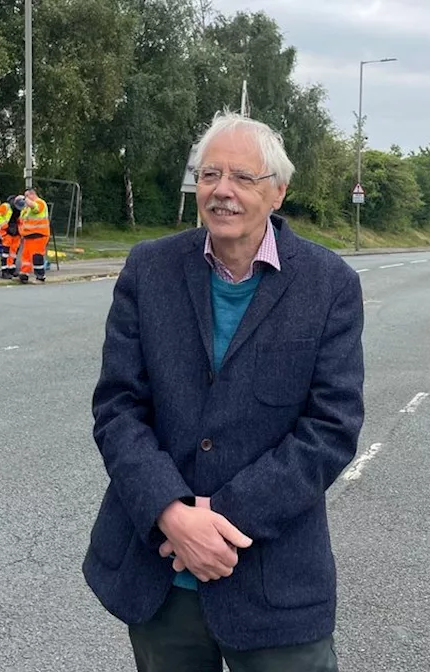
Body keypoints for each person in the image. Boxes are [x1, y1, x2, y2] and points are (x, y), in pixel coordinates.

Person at [83, 110, 365, 672]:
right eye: (210, 176)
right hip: (160, 582)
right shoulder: (149, 269)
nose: (222, 192)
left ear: (278, 192)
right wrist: (172, 513)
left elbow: (330, 427)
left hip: (275, 584)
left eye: (242, 178)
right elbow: (118, 407)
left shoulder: (329, 284)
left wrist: (218, 521)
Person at [16, 189, 51, 283]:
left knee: (37, 256)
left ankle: (40, 277)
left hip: (39, 234)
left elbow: (35, 208)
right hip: (29, 235)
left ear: (31, 195)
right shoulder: (27, 208)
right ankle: (24, 275)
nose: (25, 200)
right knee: (26, 257)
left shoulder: (40, 203)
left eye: (26, 197)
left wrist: (23, 198)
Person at [0, 195, 24, 279]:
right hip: (7, 232)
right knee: (6, 252)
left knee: (13, 252)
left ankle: (11, 269)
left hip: (16, 232)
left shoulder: (22, 208)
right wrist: (4, 225)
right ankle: (4, 270)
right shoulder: (6, 206)